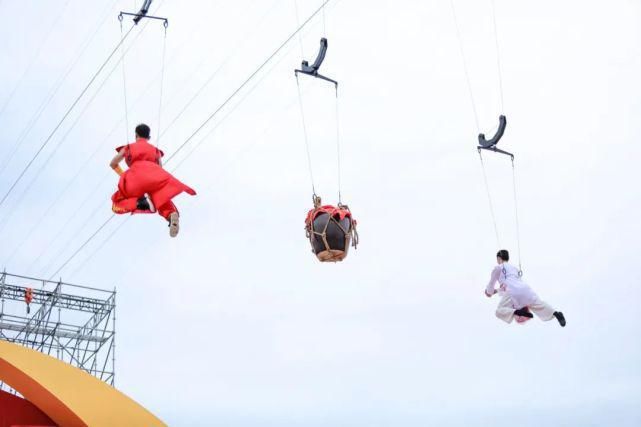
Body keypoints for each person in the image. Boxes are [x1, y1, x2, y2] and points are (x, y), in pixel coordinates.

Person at [110, 123, 196, 237]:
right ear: (149, 138)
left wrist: (123, 175)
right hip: (154, 176)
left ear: (136, 135)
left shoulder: (129, 147)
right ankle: (171, 215)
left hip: (134, 179)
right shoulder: (156, 151)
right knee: (160, 196)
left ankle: (140, 203)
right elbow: (160, 168)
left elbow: (113, 163)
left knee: (117, 203)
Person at [485, 250, 566, 327]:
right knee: (539, 304)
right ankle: (556, 313)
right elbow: (510, 283)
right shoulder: (514, 268)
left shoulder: (498, 268)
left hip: (511, 292)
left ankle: (518, 312)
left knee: (499, 311)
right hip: (525, 290)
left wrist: (489, 292)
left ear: (499, 258)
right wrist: (496, 291)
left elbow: (491, 284)